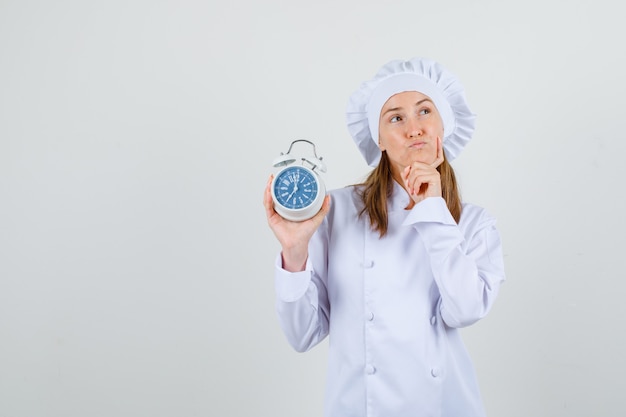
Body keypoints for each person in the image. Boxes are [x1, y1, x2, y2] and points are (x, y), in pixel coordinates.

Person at [263, 56, 506, 417]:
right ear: (378, 138)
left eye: (425, 112)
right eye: (396, 117)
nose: (414, 129)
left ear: (445, 123)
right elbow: (302, 335)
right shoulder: (338, 211)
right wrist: (294, 250)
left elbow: (465, 311)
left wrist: (433, 210)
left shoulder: (472, 222)